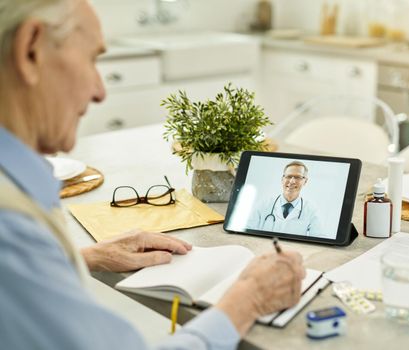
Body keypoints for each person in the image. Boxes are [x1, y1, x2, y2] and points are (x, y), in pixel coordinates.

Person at [0, 0, 306, 349]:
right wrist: (248, 299)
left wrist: (81, 256)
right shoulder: (9, 228)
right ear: (30, 50)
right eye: (91, 60)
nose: (100, 91)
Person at [247, 161, 324, 237]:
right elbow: (247, 228)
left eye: (298, 177)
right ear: (282, 179)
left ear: (305, 181)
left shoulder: (311, 210)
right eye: (289, 176)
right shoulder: (264, 204)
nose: (292, 181)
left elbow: (319, 237)